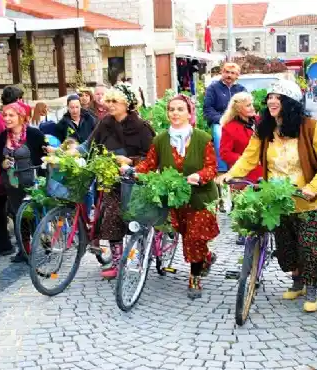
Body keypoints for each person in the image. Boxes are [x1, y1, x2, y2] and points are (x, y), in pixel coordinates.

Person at [219, 80, 317, 313]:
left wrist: (312, 186)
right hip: (278, 201)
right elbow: (249, 158)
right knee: (286, 247)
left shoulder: (311, 127)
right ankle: (297, 282)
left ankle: (311, 288)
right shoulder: (264, 130)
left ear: (289, 103)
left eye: (278, 97)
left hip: (310, 201)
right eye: (270, 97)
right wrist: (229, 175)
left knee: (309, 245)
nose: (272, 101)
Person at [136, 94, 219, 299]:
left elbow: (211, 168)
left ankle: (195, 277)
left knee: (194, 237)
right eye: (171, 109)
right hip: (174, 198)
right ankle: (206, 257)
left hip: (200, 197)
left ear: (189, 113)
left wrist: (199, 176)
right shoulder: (161, 139)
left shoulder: (202, 138)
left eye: (180, 109)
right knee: (185, 235)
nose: (175, 113)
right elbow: (149, 164)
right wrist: (133, 170)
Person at [76, 84, 155, 279]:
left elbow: (152, 157)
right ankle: (119, 263)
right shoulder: (105, 123)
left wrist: (131, 161)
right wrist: (70, 152)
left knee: (137, 221)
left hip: (135, 181)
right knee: (111, 218)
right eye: (108, 100)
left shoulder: (141, 127)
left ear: (127, 104)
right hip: (112, 180)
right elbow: (89, 145)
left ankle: (144, 256)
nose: (109, 105)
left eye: (114, 101)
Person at [0, 101, 45, 263]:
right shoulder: (2, 137)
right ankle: (24, 250)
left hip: (32, 182)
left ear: (21, 117)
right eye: (5, 115)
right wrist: (3, 163)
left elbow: (45, 155)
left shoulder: (34, 134)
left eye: (11, 115)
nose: (7, 118)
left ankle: (44, 243)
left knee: (35, 215)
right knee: (18, 215)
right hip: (12, 183)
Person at [219, 92, 264, 245]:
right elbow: (225, 153)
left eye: (252, 104)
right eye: (248, 105)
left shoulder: (259, 122)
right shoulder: (229, 128)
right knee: (242, 203)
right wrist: (245, 160)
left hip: (261, 170)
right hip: (243, 172)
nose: (252, 108)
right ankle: (242, 230)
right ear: (238, 109)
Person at [0, 85, 25, 258]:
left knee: (2, 208)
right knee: (16, 209)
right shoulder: (7, 118)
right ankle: (21, 246)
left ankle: (6, 245)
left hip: (1, 169)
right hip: (7, 169)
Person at [203, 62, 247, 173]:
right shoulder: (213, 88)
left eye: (233, 73)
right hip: (219, 122)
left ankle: (244, 165)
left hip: (238, 121)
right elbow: (208, 109)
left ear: (237, 76)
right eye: (227, 72)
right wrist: (222, 120)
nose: (229, 75)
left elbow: (247, 108)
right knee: (219, 135)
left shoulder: (241, 89)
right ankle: (222, 169)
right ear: (222, 73)